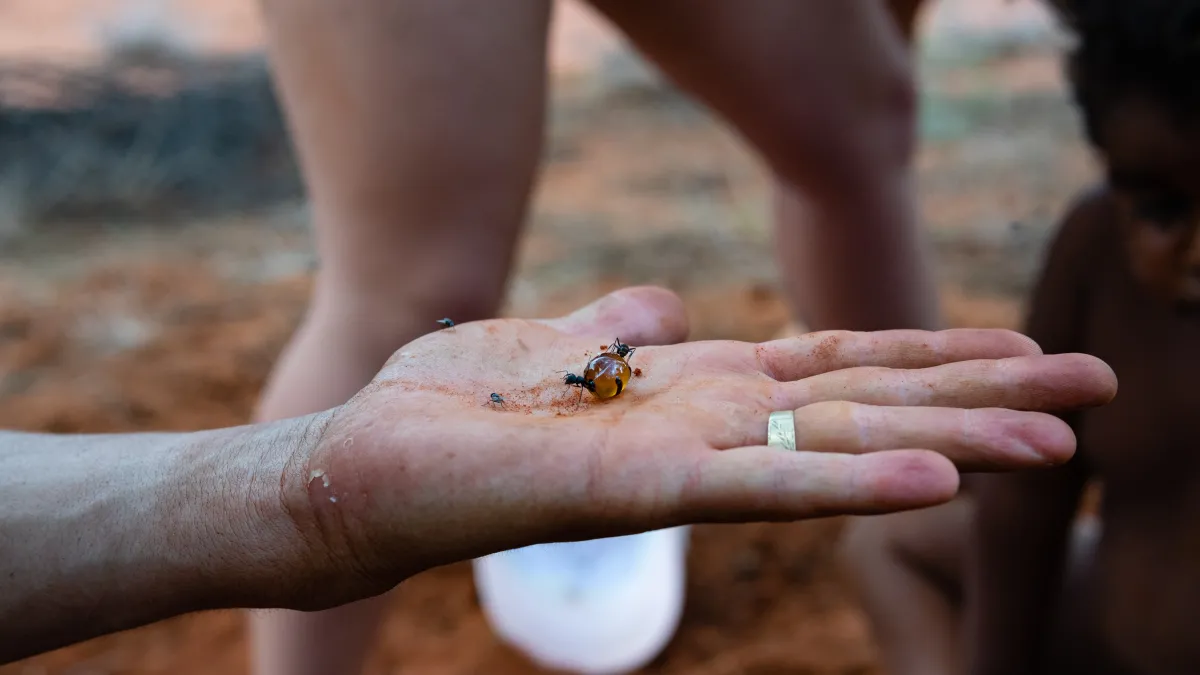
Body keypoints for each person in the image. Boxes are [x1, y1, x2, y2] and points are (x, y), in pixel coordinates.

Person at [250, 0, 939, 672]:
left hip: (615, 393)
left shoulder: (613, 371)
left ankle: (932, 540)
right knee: (414, 291)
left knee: (855, 129)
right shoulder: (599, 373)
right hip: (589, 394)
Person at [0, 285, 1120, 667]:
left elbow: (613, 377)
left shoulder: (613, 373)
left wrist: (303, 492)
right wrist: (305, 489)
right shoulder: (594, 379)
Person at [840, 1, 1200, 673]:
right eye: (1162, 208)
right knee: (895, 542)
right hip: (1118, 623)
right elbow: (1021, 514)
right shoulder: (1096, 252)